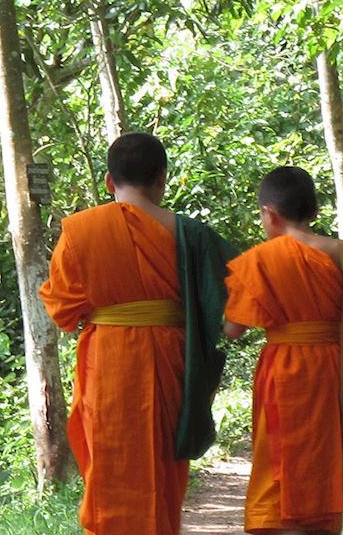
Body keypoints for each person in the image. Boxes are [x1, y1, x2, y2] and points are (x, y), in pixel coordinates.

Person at [40, 133, 235, 534]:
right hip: (171, 360)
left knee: (111, 471)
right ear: (162, 177)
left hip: (109, 364)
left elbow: (63, 310)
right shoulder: (190, 234)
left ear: (110, 182)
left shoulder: (81, 230)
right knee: (161, 471)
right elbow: (234, 296)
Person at [222, 166, 343, 535]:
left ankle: (278, 522)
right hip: (332, 370)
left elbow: (233, 330)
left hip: (281, 370)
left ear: (269, 214)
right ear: (313, 212)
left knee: (277, 455)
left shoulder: (259, 261)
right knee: (319, 455)